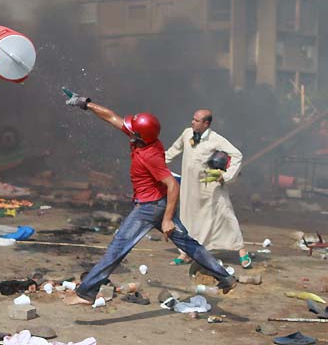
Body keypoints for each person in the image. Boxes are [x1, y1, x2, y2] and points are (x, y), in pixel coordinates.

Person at [62, 90, 237, 304]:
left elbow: (173, 185)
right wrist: (85, 103)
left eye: (133, 129)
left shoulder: (150, 155)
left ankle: (86, 293)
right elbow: (111, 117)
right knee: (189, 244)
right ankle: (225, 277)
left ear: (140, 135)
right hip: (158, 203)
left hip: (150, 208)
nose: (128, 130)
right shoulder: (144, 139)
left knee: (118, 246)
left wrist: (166, 219)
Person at [165, 109, 248, 268]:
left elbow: (237, 155)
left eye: (196, 120)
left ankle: (241, 250)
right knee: (188, 217)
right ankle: (185, 253)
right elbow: (173, 151)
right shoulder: (187, 133)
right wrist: (155, 163)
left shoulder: (216, 139)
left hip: (210, 186)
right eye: (193, 119)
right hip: (190, 186)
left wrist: (226, 175)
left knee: (225, 214)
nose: (192, 122)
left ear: (206, 123)